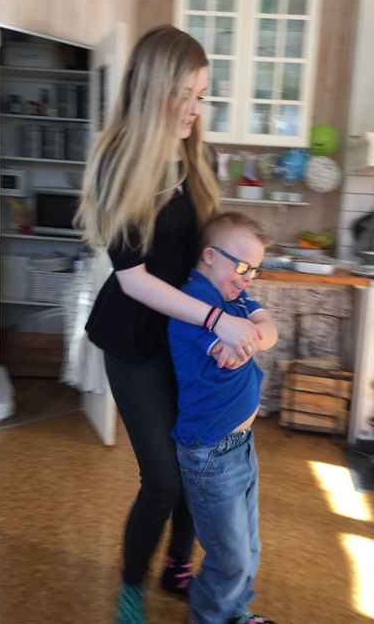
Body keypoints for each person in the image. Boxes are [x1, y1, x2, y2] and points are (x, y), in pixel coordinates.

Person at [75, 25, 263, 624]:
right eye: (184, 94)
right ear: (152, 88)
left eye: (201, 95)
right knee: (162, 480)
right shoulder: (118, 163)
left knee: (195, 460)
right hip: (135, 341)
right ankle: (131, 588)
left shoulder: (200, 157)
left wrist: (239, 295)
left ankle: (178, 566)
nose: (194, 108)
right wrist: (216, 319)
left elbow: (207, 254)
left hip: (187, 337)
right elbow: (133, 279)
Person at [168, 212, 278, 624]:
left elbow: (268, 332)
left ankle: (233, 612)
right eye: (242, 265)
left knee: (248, 549)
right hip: (210, 455)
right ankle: (211, 617)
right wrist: (248, 337)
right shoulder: (195, 303)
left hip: (240, 447)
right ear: (210, 255)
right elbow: (231, 352)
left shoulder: (236, 300)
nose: (249, 277)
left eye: (255, 269)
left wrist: (249, 338)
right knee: (230, 557)